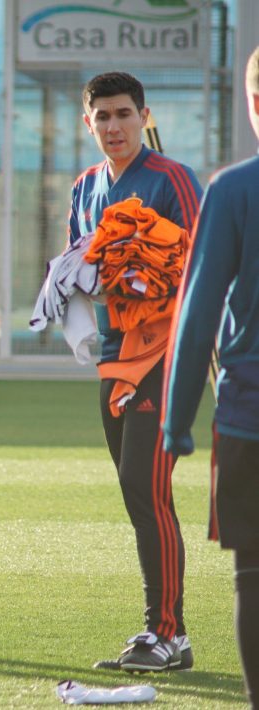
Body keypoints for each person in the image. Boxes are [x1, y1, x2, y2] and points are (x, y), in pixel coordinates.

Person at [65, 72, 202, 673]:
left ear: (144, 117)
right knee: (135, 488)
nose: (114, 126)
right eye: (103, 117)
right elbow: (80, 264)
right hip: (114, 356)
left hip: (166, 352)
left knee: (146, 488)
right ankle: (168, 635)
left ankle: (165, 633)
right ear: (87, 122)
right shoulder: (84, 187)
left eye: (124, 114)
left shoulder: (172, 178)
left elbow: (204, 258)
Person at [163, 45, 259, 707]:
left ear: (253, 102)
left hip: (247, 421)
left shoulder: (232, 189)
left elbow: (196, 317)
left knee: (253, 577)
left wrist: (174, 425)